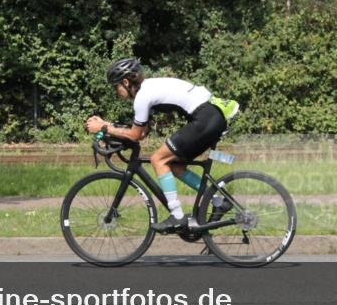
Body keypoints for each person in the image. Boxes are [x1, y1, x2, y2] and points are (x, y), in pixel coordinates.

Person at [85, 58, 239, 231]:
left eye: (116, 86)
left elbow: (135, 135)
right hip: (211, 116)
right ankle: (218, 201)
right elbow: (142, 132)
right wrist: (109, 128)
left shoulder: (142, 97)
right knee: (174, 165)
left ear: (126, 82)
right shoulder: (148, 88)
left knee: (158, 159)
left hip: (204, 118)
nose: (116, 91)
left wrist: (104, 127)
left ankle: (177, 216)